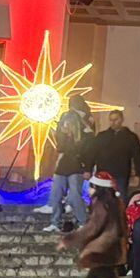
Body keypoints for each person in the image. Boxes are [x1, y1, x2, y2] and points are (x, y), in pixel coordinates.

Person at [59, 173, 137, 278]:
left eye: (92, 187)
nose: (89, 190)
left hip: (101, 254)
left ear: (99, 188)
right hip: (111, 253)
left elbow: (92, 227)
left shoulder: (101, 204)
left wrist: (69, 239)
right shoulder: (116, 203)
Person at [44, 95, 94, 232]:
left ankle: (83, 221)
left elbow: (89, 150)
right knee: (56, 193)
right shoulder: (67, 124)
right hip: (64, 164)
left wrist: (88, 168)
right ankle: (55, 222)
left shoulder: (85, 127)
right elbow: (60, 147)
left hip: (77, 164)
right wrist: (61, 135)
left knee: (74, 194)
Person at [94, 110, 140, 191]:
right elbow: (94, 153)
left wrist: (138, 174)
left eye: (115, 120)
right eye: (111, 120)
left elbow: (137, 156)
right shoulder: (102, 136)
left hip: (121, 174)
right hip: (103, 173)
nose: (113, 122)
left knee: (120, 198)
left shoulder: (130, 137)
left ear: (121, 119)